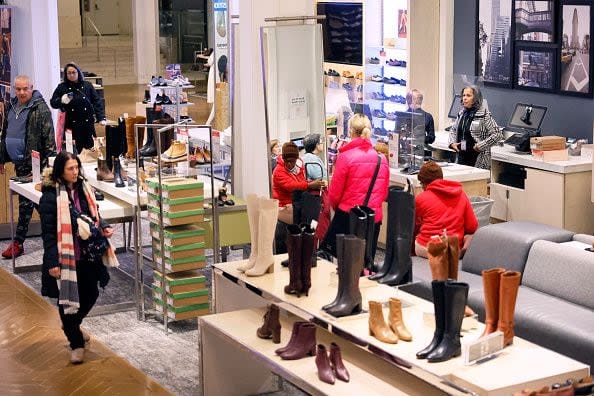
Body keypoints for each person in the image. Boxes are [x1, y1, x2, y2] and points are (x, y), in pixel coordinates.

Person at [39, 151, 116, 364]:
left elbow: (94, 215)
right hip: (66, 256)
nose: (75, 172)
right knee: (68, 300)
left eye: (76, 167)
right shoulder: (50, 196)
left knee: (91, 292)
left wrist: (105, 226)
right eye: (70, 169)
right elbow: (48, 234)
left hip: (88, 253)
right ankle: (76, 344)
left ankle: (72, 326)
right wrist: (53, 262)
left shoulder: (84, 188)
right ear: (60, 172)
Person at [0, 75, 56, 259]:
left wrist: (42, 171)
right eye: (18, 89)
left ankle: (18, 243)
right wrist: (2, 157)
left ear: (31, 88)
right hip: (19, 163)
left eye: (25, 88)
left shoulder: (41, 109)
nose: (22, 92)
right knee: (39, 204)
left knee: (27, 204)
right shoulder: (12, 105)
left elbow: (50, 143)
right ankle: (59, 236)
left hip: (34, 166)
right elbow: (6, 133)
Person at [320, 113, 389, 258]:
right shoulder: (381, 159)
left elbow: (335, 193)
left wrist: (339, 208)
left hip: (348, 216)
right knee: (365, 261)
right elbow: (383, 193)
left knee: (344, 262)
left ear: (350, 131)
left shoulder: (346, 157)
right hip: (373, 218)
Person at [414, 161, 478, 259]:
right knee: (469, 237)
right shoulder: (461, 194)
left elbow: (413, 226)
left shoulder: (421, 198)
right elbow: (472, 226)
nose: (422, 187)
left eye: (422, 183)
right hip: (454, 248)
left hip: (427, 248)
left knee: (415, 237)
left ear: (425, 183)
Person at [50, 62, 106, 153]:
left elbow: (97, 101)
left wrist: (101, 117)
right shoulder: (62, 87)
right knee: (72, 152)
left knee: (90, 152)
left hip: (87, 125)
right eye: (69, 73)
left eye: (74, 72)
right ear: (66, 74)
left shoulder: (87, 86)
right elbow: (53, 103)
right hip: (71, 127)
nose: (72, 75)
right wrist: (61, 100)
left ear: (78, 72)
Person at [448, 85, 502, 169]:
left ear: (475, 98)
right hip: (461, 156)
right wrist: (451, 143)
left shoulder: (484, 114)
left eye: (468, 96)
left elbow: (497, 134)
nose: (464, 98)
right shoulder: (462, 113)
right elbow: (453, 130)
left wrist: (480, 146)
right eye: (464, 95)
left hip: (477, 157)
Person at [272, 141, 325, 225]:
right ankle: (310, 230)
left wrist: (314, 184)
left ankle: (311, 230)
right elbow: (292, 186)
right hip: (284, 205)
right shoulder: (278, 171)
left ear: (296, 159)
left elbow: (301, 182)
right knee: (309, 210)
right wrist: (309, 185)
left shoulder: (299, 165)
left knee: (313, 208)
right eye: (287, 161)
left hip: (295, 203)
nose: (289, 164)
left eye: (292, 161)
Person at [406, 89, 435, 155]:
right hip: (407, 151)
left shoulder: (428, 116)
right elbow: (397, 135)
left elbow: (432, 138)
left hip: (423, 152)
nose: (420, 100)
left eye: (420, 98)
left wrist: (420, 139)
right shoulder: (402, 116)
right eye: (417, 98)